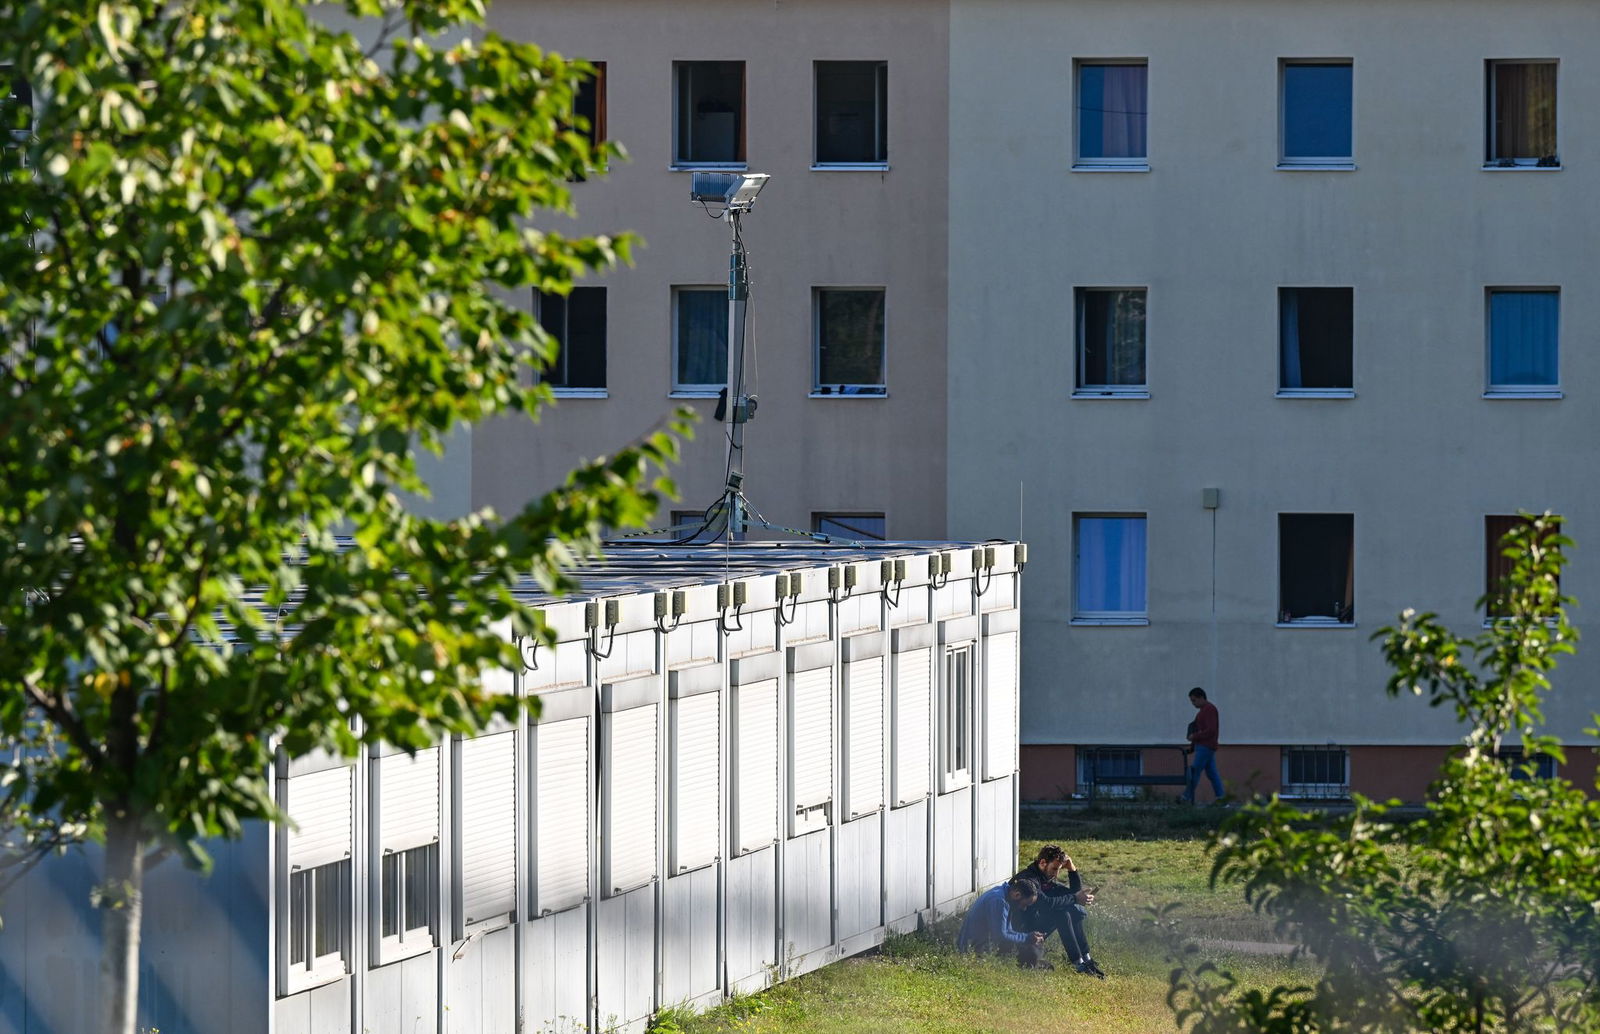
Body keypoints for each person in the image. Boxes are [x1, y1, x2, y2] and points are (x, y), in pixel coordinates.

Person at [1014, 844, 1105, 977]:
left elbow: (1073, 894)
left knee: (1073, 910)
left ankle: (1086, 959)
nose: (1056, 874)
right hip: (1017, 933)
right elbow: (1046, 903)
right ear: (1043, 863)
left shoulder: (1045, 877)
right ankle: (1078, 964)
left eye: (1059, 869)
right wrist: (1076, 898)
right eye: (1054, 868)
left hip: (1031, 925)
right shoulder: (1029, 879)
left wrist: (1072, 870)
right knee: (1061, 914)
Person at [956, 875, 1050, 968]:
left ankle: (1036, 963)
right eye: (1025, 904)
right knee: (1029, 952)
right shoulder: (998, 901)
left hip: (984, 942)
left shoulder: (1003, 893)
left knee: (1031, 947)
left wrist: (1029, 936)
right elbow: (1001, 936)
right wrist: (1027, 938)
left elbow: (1008, 931)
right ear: (1017, 895)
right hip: (972, 948)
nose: (1024, 908)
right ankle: (1035, 965)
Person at [1181, 686, 1224, 804]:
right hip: (1206, 746)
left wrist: (1194, 737)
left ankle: (1185, 797)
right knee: (1212, 773)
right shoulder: (1204, 711)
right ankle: (1221, 798)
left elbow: (1211, 730)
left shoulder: (1209, 709)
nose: (1193, 703)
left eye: (1194, 700)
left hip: (1205, 746)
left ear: (1201, 697)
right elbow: (1201, 729)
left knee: (1195, 772)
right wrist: (1193, 745)